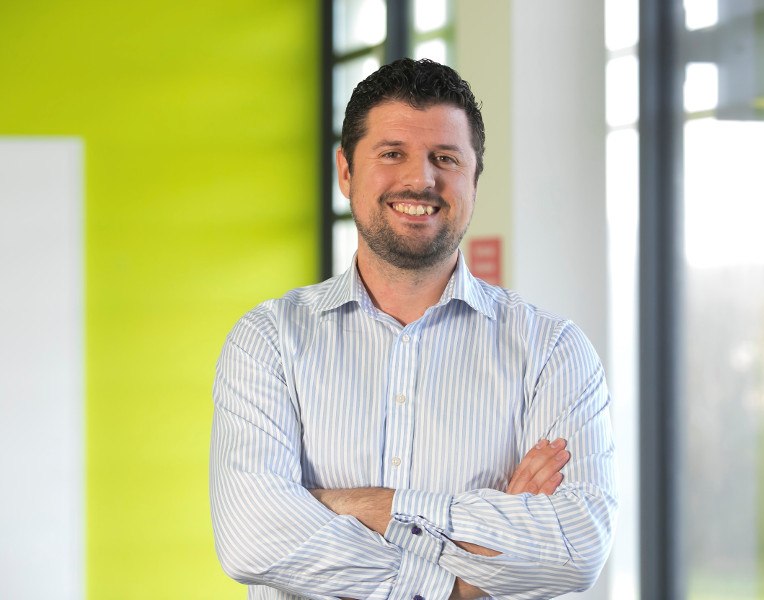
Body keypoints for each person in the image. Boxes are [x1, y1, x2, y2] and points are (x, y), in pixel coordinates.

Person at [210, 58, 617, 600]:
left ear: (473, 178)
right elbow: (253, 539)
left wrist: (360, 506)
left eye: (444, 158)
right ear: (346, 172)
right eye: (392, 153)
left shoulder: (552, 353)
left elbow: (574, 550)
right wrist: (456, 584)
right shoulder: (269, 343)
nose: (420, 179)